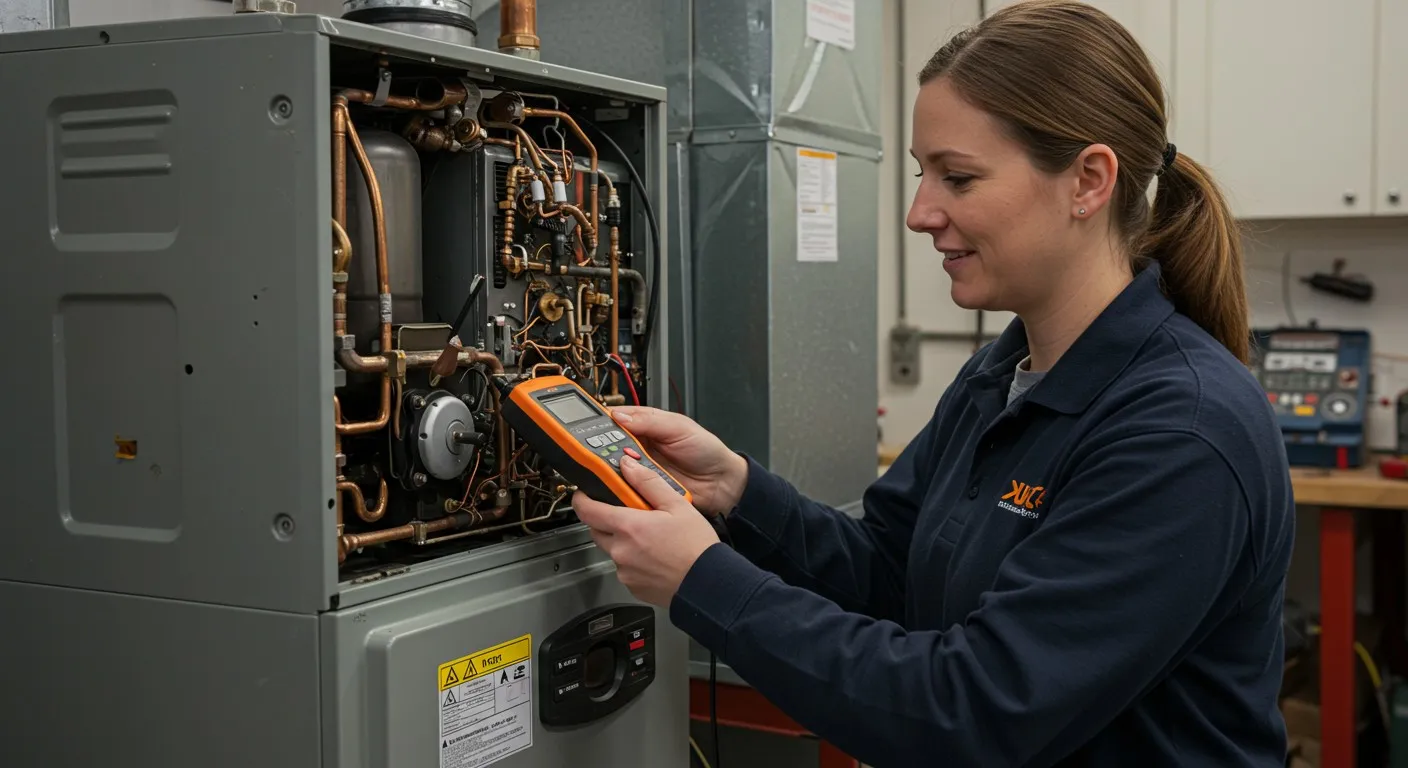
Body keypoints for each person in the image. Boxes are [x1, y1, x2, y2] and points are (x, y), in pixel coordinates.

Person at [572, 1, 1296, 764]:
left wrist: (703, 579)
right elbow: (891, 574)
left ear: (1088, 181)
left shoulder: (1181, 431)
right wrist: (740, 493)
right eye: (924, 175)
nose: (920, 213)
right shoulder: (1003, 375)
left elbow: (974, 713)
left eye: (958, 177)